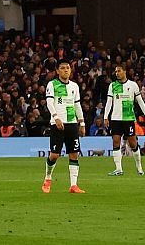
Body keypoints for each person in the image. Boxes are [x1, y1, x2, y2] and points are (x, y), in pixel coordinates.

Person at [42, 60, 88, 194]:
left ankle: (73, 185)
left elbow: (77, 105)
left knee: (74, 154)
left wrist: (82, 123)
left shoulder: (74, 86)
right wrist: (56, 117)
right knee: (54, 155)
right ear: (57, 71)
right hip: (57, 124)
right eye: (62, 68)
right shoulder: (52, 84)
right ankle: (48, 178)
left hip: (72, 123)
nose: (66, 70)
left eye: (67, 68)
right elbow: (50, 103)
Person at [103, 64, 145, 177]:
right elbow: (109, 102)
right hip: (115, 119)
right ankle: (118, 169)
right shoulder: (112, 85)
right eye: (115, 71)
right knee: (116, 142)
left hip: (128, 119)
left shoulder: (132, 85)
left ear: (124, 71)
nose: (117, 73)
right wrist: (105, 116)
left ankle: (139, 167)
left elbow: (140, 101)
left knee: (133, 143)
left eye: (119, 71)